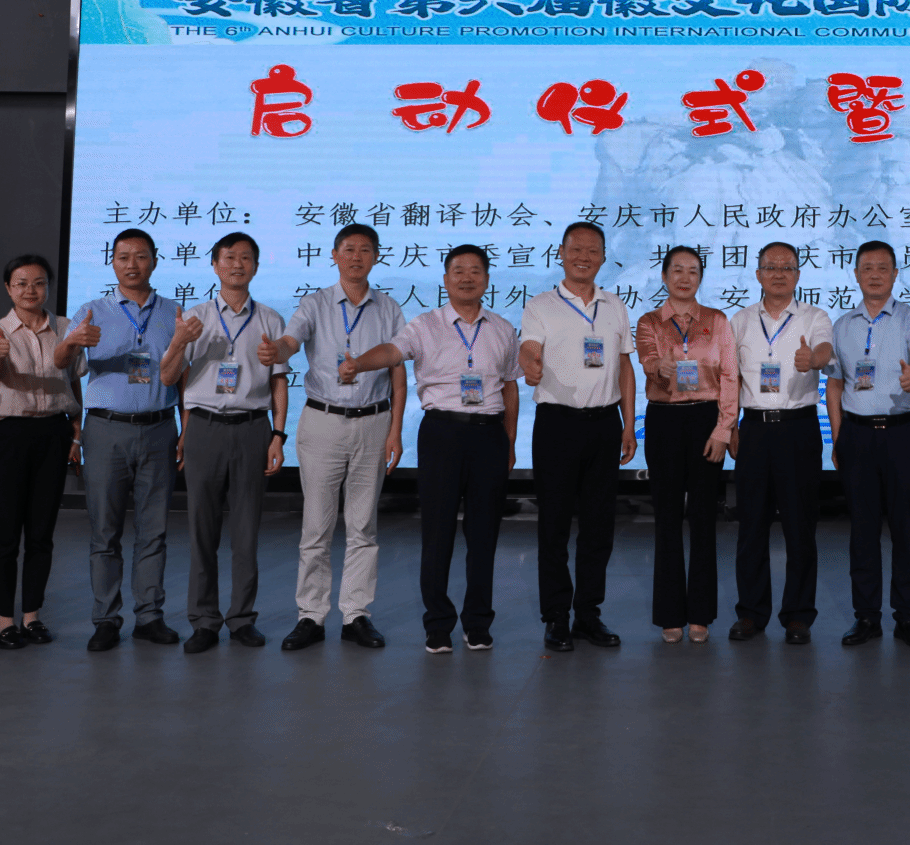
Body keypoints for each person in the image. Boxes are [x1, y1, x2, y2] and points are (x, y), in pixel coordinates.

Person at [347, 244, 519, 654]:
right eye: (458, 271)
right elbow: (393, 352)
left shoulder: (503, 328)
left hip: (489, 435)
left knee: (484, 534)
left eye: (475, 271)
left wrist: (509, 442)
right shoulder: (425, 325)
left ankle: (478, 622)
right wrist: (360, 363)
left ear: (487, 279)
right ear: (445, 280)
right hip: (442, 433)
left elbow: (510, 388)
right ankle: (438, 624)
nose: (466, 278)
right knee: (437, 531)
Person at [261, 223, 407, 652]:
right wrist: (276, 352)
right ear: (334, 255)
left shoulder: (389, 308)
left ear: (376, 257)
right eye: (348, 249)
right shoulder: (316, 303)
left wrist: (397, 429)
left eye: (365, 250)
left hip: (374, 421)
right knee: (317, 525)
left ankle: (356, 614)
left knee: (363, 525)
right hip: (323, 420)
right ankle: (310, 616)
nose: (356, 256)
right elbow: (291, 341)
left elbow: (398, 371)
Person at [160, 232, 288, 654]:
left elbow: (279, 381)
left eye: (246, 258)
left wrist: (278, 434)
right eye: (229, 257)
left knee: (247, 530)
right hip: (205, 428)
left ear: (256, 267)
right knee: (202, 529)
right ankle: (203, 621)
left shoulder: (270, 319)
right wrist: (179, 341)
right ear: (214, 265)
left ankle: (242, 619)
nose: (237, 264)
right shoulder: (195, 317)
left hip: (252, 427)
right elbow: (168, 377)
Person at [60, 228, 183, 653]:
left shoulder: (173, 312)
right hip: (106, 430)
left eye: (141, 256)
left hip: (159, 428)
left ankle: (149, 617)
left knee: (154, 530)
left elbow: (182, 374)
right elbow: (61, 362)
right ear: (112, 262)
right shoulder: (91, 311)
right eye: (123, 256)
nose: (132, 264)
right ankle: (106, 619)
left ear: (155, 260)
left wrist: (185, 427)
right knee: (105, 530)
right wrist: (72, 342)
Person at [518, 221, 637, 652]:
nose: (583, 257)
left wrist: (628, 423)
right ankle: (556, 617)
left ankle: (588, 614)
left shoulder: (615, 305)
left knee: (598, 526)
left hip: (604, 424)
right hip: (557, 425)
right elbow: (529, 347)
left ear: (603, 257)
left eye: (592, 250)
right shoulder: (541, 305)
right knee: (553, 525)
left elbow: (625, 366)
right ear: (562, 253)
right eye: (576, 249)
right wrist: (530, 363)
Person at [825, 240, 910, 649]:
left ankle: (908, 617)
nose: (874, 274)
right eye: (867, 267)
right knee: (863, 529)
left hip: (903, 434)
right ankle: (866, 616)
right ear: (855, 274)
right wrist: (838, 436)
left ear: (894, 274)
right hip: (857, 435)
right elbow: (835, 384)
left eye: (882, 268)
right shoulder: (842, 325)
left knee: (906, 528)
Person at [728, 241, 836, 645]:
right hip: (754, 429)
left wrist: (815, 360)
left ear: (798, 275)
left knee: (800, 526)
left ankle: (798, 616)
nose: (778, 274)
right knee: (751, 526)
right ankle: (751, 613)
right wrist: (730, 425)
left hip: (798, 429)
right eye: (770, 267)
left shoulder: (814, 317)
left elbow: (825, 348)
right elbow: (730, 377)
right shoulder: (739, 321)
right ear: (758, 274)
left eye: (787, 267)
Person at [0, 254, 82, 650]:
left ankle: (32, 615)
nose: (30, 290)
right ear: (8, 288)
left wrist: (76, 431)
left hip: (53, 432)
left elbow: (74, 382)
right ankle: (5, 620)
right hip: (9, 434)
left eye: (38, 283)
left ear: (48, 287)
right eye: (21, 283)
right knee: (6, 533)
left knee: (42, 532)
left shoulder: (66, 328)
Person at [635, 246, 737, 643]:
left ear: (700, 278)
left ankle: (701, 614)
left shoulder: (717, 320)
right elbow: (648, 360)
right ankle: (669, 615)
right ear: (664, 276)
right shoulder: (649, 322)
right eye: (677, 270)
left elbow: (729, 377)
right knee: (666, 518)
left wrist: (723, 429)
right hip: (664, 421)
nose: (684, 277)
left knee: (703, 518)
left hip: (705, 420)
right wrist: (659, 366)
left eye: (692, 271)